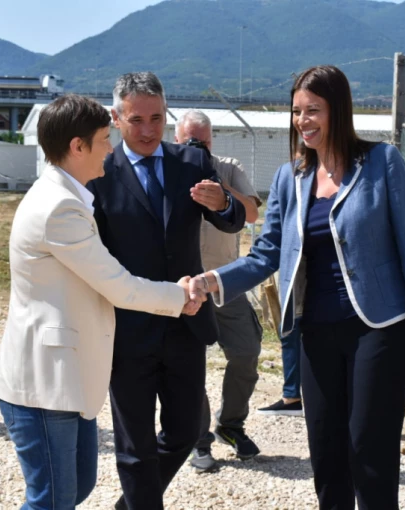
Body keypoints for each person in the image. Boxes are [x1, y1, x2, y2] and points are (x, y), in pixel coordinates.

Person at [195, 65, 405, 509]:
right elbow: (266, 254)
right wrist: (212, 280)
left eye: (313, 110)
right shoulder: (290, 177)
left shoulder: (382, 162)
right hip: (316, 331)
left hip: (379, 327)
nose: (302, 121)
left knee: (369, 451)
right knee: (326, 453)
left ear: (338, 110)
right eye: (296, 111)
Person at [0, 94, 206, 509]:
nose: (111, 147)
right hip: (45, 384)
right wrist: (178, 296)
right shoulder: (60, 209)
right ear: (78, 146)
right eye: (105, 139)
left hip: (67, 379)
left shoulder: (68, 198)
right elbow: (117, 285)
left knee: (75, 488)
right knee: (53, 500)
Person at [86, 73, 246, 510]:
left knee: (184, 433)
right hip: (127, 330)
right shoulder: (99, 172)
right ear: (116, 118)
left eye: (156, 118)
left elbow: (233, 220)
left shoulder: (191, 163)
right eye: (136, 120)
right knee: (134, 447)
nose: (148, 130)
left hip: (186, 323)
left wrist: (223, 203)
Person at [173, 109, 263, 473]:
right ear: (176, 140)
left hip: (226, 282)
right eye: (190, 142)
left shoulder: (228, 167)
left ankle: (231, 425)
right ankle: (198, 440)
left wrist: (220, 187)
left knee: (246, 352)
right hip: (184, 286)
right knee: (189, 363)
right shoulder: (167, 168)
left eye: (204, 142)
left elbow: (252, 214)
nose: (198, 147)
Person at [256, 142, 307, 417]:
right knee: (289, 331)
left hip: (306, 276)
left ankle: (294, 395)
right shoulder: (286, 176)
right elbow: (270, 241)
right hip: (291, 271)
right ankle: (291, 395)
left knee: (294, 332)